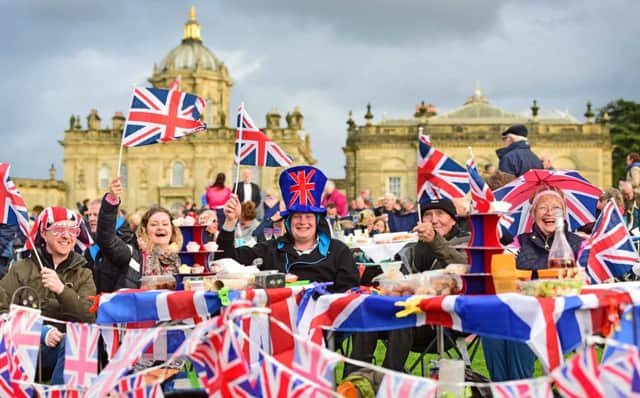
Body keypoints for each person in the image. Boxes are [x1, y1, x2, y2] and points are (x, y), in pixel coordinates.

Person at [344, 198, 470, 393]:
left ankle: (387, 385)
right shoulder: (410, 244)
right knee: (368, 312)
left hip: (442, 320)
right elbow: (387, 272)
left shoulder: (465, 242)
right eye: (428, 214)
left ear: (453, 219)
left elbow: (463, 266)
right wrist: (370, 254)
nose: (433, 220)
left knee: (403, 318)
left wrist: (435, 240)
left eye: (440, 214)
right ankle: (354, 382)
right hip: (403, 313)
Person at [482, 187, 584, 382]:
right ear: (532, 214)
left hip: (563, 311)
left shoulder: (578, 243)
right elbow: (504, 274)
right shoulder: (519, 242)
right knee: (491, 329)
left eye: (556, 208)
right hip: (524, 307)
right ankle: (502, 390)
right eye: (542, 207)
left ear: (563, 215)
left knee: (520, 328)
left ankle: (520, 388)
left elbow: (584, 277)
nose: (549, 212)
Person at [218, 165, 359, 293]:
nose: (303, 222)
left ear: (317, 221)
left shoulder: (339, 252)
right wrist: (230, 222)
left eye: (308, 216)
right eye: (297, 216)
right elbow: (225, 262)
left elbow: (348, 296)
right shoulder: (271, 249)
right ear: (288, 221)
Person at [0, 206, 96, 385]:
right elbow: (2, 310)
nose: (67, 236)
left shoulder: (84, 274)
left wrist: (61, 290)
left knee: (75, 342)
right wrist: (41, 333)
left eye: (72, 230)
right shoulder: (22, 268)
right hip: (22, 349)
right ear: (44, 234)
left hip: (66, 352)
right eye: (59, 229)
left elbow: (89, 316)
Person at [94, 177, 183, 292]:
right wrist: (111, 202)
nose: (160, 227)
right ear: (144, 230)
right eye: (154, 224)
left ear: (172, 230)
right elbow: (106, 239)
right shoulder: (132, 253)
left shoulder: (179, 258)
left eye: (165, 224)